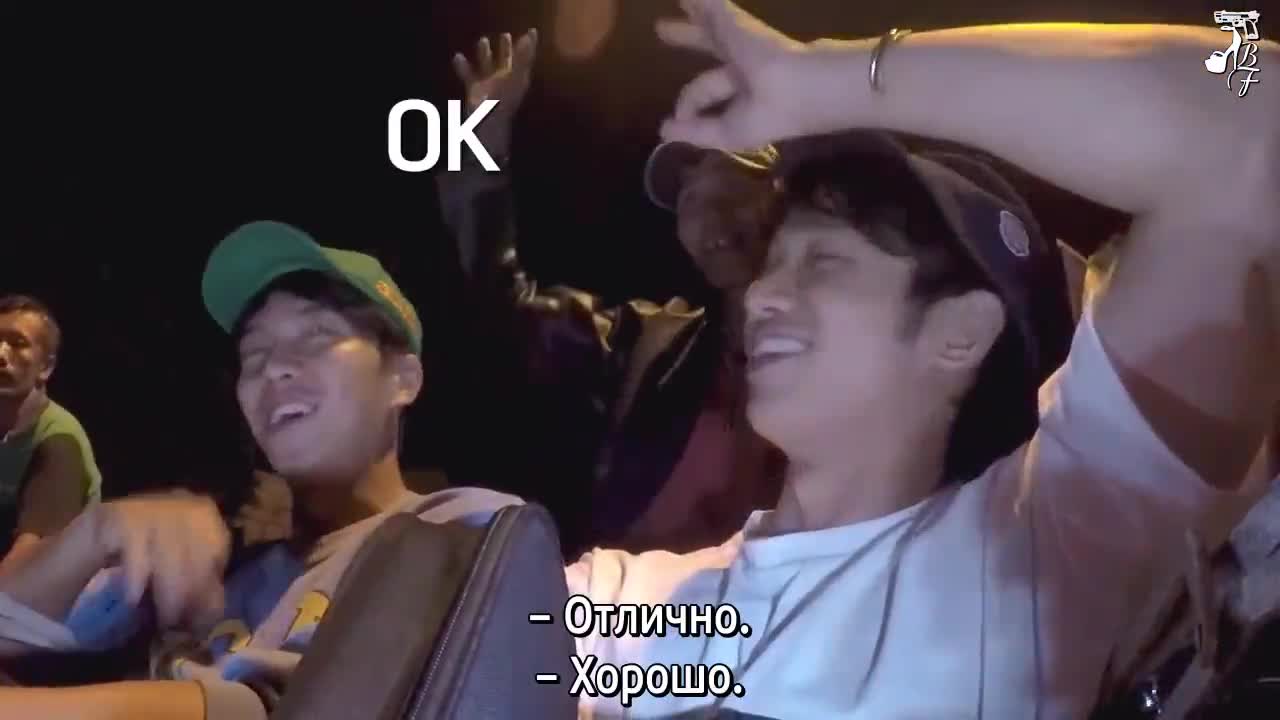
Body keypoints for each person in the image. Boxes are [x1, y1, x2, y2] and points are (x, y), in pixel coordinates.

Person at [566, 3, 1278, 717]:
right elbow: (515, 635)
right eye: (774, 261)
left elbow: (1254, 118)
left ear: (961, 331)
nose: (761, 294)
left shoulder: (1041, 547)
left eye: (824, 261)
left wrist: (827, 78)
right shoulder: (640, 608)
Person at [0, 221, 522, 720]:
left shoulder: (467, 529)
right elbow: (10, 626)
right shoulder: (207, 559)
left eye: (316, 336)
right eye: (254, 354)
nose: (274, 367)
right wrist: (95, 533)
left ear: (403, 379)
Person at [438, 31, 784, 556]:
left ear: (787, 198)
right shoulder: (649, 344)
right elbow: (501, 299)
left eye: (735, 186)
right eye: (690, 200)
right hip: (637, 603)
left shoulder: (861, 348)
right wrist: (475, 147)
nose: (712, 215)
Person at [0, 294, 101, 574]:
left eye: (17, 343)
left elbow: (27, 564)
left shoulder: (59, 441)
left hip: (50, 589)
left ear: (46, 367)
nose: (1, 354)